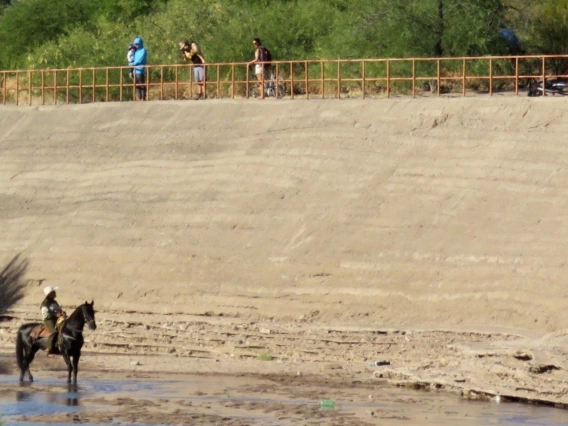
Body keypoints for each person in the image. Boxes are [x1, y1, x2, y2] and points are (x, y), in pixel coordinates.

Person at [40, 286, 61, 355]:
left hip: (56, 318)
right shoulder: (45, 303)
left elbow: (58, 310)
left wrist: (62, 313)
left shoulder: (54, 302)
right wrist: (55, 315)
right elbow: (46, 314)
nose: (55, 293)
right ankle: (49, 348)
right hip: (49, 320)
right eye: (53, 292)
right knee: (54, 332)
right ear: (50, 294)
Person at [129, 36, 148, 101]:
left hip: (140, 71)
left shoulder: (143, 51)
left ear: (140, 44)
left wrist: (132, 64)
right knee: (137, 85)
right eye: (135, 44)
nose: (135, 45)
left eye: (137, 44)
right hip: (135, 71)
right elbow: (132, 58)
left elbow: (139, 60)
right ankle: (139, 97)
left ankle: (143, 98)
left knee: (141, 84)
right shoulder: (135, 51)